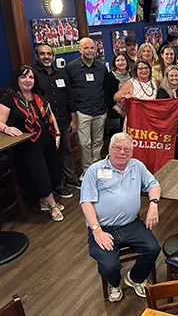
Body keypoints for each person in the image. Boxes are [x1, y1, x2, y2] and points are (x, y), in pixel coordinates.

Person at [80, 132, 161, 302]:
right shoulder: (95, 170)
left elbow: (153, 184)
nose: (122, 152)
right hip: (103, 227)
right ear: (110, 149)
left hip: (131, 224)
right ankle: (114, 283)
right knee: (109, 266)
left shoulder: (136, 166)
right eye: (118, 148)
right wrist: (97, 231)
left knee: (153, 249)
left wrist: (153, 204)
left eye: (127, 149)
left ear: (132, 152)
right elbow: (86, 202)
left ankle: (134, 278)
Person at [0, 66, 65, 222]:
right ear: (17, 79)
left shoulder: (38, 96)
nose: (27, 80)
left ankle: (44, 199)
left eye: (31, 77)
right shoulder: (9, 98)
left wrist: (57, 133)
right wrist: (6, 128)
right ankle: (52, 205)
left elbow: (50, 116)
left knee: (51, 170)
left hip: (47, 139)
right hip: (29, 144)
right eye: (23, 77)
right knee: (40, 173)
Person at [33, 43, 79, 193]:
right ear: (37, 56)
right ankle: (58, 185)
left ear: (53, 56)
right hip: (45, 124)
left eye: (49, 54)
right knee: (51, 156)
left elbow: (69, 97)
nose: (46, 57)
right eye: (42, 54)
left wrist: (73, 119)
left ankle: (71, 178)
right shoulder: (32, 75)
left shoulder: (61, 74)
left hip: (63, 120)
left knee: (66, 151)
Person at [66, 37, 107, 179]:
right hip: (82, 111)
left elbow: (105, 88)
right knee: (84, 143)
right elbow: (68, 91)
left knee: (98, 141)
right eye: (86, 48)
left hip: (100, 110)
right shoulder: (71, 68)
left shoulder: (101, 67)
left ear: (96, 49)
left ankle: (97, 167)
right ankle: (87, 170)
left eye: (92, 48)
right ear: (80, 49)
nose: (90, 51)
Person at [113, 59, 157, 130]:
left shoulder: (154, 81)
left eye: (146, 68)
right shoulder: (131, 82)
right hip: (134, 121)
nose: (144, 71)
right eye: (140, 68)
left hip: (150, 120)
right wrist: (124, 96)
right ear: (136, 70)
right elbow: (115, 97)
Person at [104, 51, 131, 135]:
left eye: (123, 60)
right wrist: (120, 111)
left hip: (130, 113)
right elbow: (108, 97)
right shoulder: (109, 76)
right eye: (118, 60)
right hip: (116, 114)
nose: (120, 63)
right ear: (114, 63)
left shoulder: (131, 75)